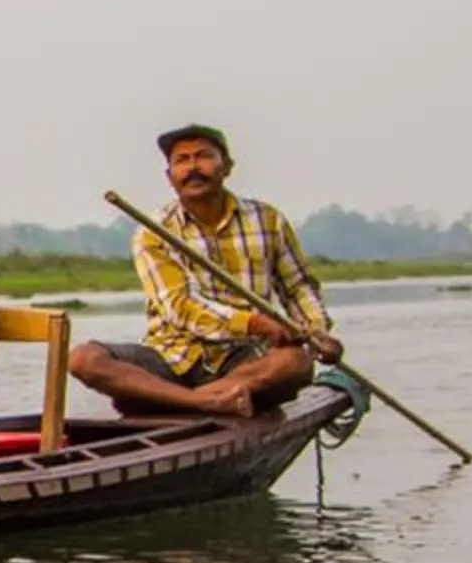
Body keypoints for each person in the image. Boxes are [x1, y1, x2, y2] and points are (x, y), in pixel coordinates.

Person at [69, 123, 341, 417]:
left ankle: (176, 401)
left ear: (227, 167)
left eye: (204, 156)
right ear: (169, 177)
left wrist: (317, 334)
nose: (193, 167)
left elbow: (299, 287)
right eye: (181, 160)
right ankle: (205, 403)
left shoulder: (267, 220)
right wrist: (254, 322)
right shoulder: (154, 231)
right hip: (173, 355)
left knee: (294, 363)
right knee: (83, 359)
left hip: (246, 358)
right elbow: (180, 306)